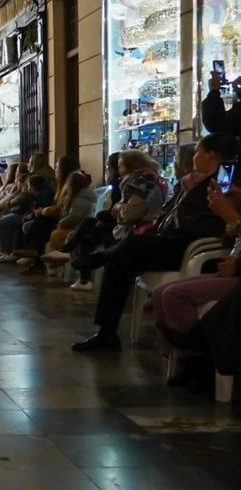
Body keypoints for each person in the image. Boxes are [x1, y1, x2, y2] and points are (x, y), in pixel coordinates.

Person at [72, 133, 235, 352]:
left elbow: (214, 221)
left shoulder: (223, 183)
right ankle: (106, 331)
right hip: (177, 239)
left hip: (191, 245)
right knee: (121, 260)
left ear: (211, 154)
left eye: (197, 152)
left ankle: (102, 264)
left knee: (131, 247)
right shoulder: (198, 181)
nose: (194, 157)